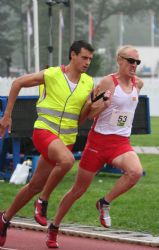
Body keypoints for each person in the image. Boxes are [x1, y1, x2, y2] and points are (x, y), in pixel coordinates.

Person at [43, 45, 144, 248]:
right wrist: (103, 104)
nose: (134, 66)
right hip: (98, 143)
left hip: (121, 143)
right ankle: (54, 226)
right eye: (131, 61)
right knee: (78, 190)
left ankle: (104, 202)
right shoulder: (108, 82)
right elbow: (90, 113)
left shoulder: (138, 84)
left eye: (137, 62)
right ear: (120, 60)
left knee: (135, 172)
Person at [0, 40, 95, 247]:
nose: (87, 62)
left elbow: (80, 119)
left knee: (34, 184)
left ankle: (4, 219)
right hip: (44, 131)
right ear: (72, 55)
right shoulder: (52, 74)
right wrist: (7, 116)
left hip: (66, 139)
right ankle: (42, 201)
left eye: (90, 59)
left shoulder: (88, 83)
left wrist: (94, 106)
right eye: (84, 57)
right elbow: (17, 83)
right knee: (68, 161)